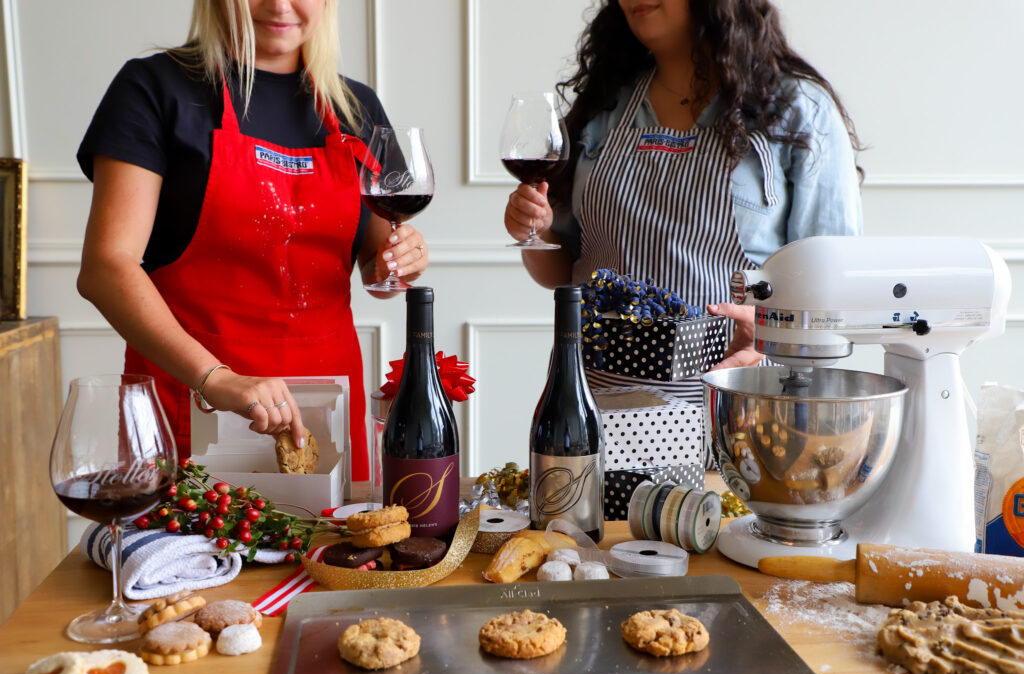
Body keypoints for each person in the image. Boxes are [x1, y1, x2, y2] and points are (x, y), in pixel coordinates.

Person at [76, 0, 428, 481]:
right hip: (193, 405)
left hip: (326, 414)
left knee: (332, 551)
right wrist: (214, 378)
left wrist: (400, 262)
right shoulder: (154, 88)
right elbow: (105, 268)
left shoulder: (357, 105)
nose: (280, 5)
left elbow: (375, 260)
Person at [504, 0, 862, 405]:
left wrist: (768, 340)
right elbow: (563, 273)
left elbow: (833, 285)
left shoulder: (798, 108)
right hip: (594, 406)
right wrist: (537, 227)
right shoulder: (604, 106)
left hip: (736, 405)